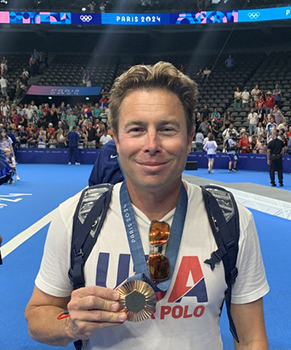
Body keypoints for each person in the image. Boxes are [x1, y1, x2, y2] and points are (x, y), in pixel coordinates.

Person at [25, 62, 269, 350]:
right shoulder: (76, 217)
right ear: (115, 139)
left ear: (190, 136)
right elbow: (37, 316)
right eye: (137, 129)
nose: (152, 144)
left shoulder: (232, 219)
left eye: (167, 128)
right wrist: (69, 324)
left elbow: (252, 339)